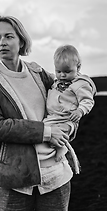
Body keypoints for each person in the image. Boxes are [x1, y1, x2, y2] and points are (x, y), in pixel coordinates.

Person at [0, 15, 73, 211]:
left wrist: (68, 129)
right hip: (14, 179)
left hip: (55, 175)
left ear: (21, 41)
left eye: (8, 36)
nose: (2, 42)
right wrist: (47, 132)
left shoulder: (38, 73)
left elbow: (67, 103)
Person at [40, 45, 97, 174]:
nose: (62, 75)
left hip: (68, 119)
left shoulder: (80, 84)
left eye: (67, 72)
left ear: (78, 67)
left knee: (56, 132)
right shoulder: (57, 82)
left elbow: (88, 100)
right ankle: (58, 148)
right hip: (54, 117)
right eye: (58, 71)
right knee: (43, 129)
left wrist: (80, 111)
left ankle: (62, 148)